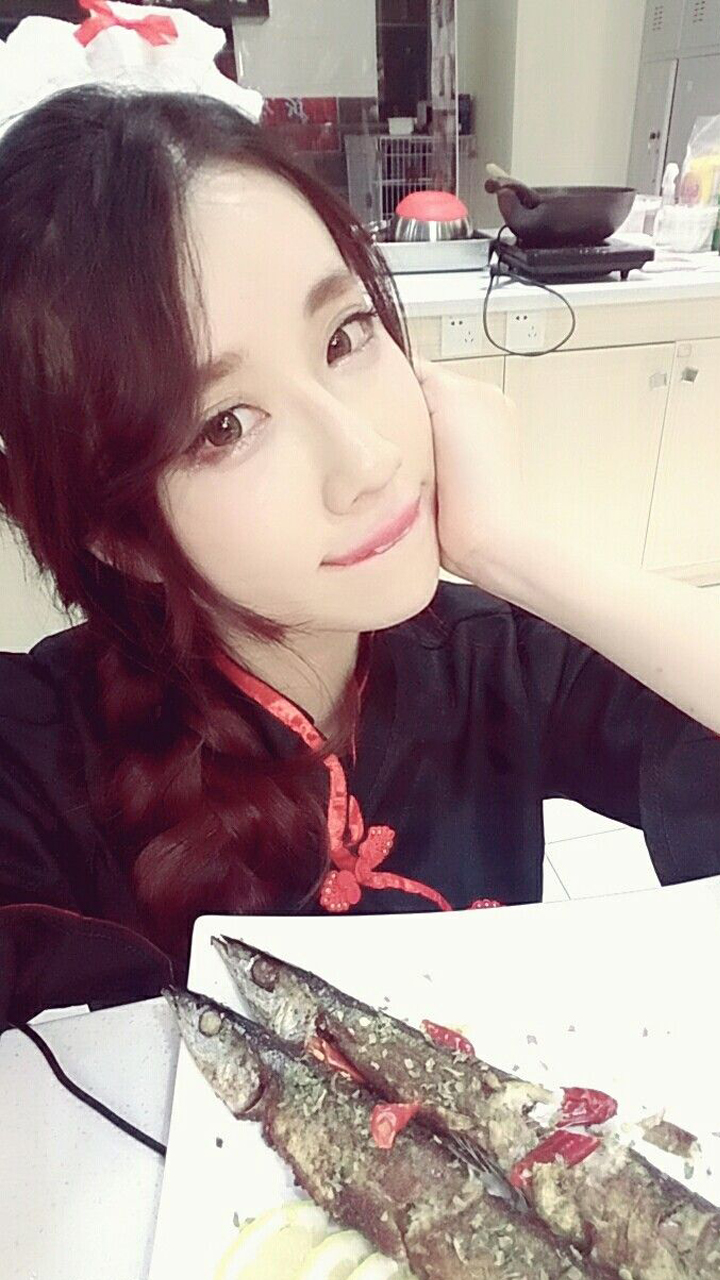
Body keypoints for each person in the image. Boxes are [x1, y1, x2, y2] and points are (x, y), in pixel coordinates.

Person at [0, 84, 719, 1028]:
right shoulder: (39, 756)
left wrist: (517, 551)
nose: (368, 460)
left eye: (345, 336)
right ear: (120, 534)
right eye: (224, 426)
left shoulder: (491, 659)